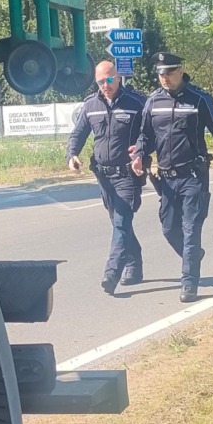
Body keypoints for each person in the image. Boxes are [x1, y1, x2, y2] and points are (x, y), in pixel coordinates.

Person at [131, 51, 213, 303]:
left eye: (169, 73)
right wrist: (138, 155)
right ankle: (194, 256)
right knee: (169, 229)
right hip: (166, 179)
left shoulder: (200, 99)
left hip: (193, 176)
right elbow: (145, 136)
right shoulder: (153, 101)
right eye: (161, 74)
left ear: (180, 71)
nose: (165, 78)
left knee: (191, 229)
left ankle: (189, 282)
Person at [66, 60, 147, 294]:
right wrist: (72, 154)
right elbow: (78, 133)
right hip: (103, 176)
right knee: (118, 222)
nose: (105, 85)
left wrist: (141, 154)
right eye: (100, 81)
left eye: (109, 80)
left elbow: (148, 134)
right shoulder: (91, 105)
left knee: (121, 221)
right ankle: (135, 263)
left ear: (118, 77)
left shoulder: (136, 103)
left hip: (128, 174)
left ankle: (112, 273)